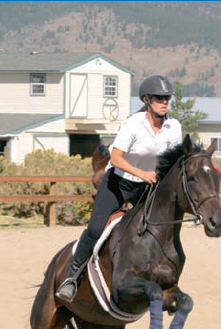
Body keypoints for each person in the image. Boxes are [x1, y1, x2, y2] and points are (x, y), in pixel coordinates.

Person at [56, 75, 182, 302]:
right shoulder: (133, 124)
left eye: (167, 98)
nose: (164, 102)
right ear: (147, 100)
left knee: (153, 228)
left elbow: (172, 162)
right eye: (159, 98)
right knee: (95, 229)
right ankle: (71, 277)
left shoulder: (174, 127)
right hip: (118, 184)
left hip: (147, 186)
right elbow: (115, 158)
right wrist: (142, 173)